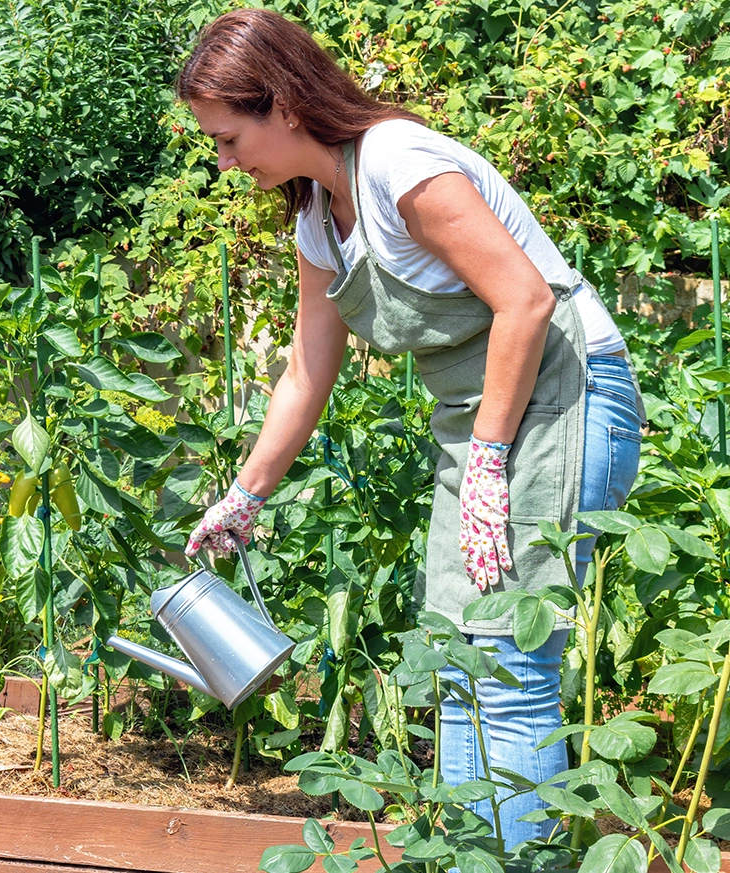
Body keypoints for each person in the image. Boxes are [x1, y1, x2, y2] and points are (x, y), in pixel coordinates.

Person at [179, 8, 643, 849]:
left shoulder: (398, 163)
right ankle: (471, 861)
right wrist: (244, 495)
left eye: (227, 137)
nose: (223, 160)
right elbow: (305, 372)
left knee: (507, 664)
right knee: (458, 665)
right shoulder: (320, 216)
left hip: (562, 398)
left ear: (282, 104)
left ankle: (520, 863)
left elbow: (527, 300)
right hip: (481, 429)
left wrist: (492, 461)